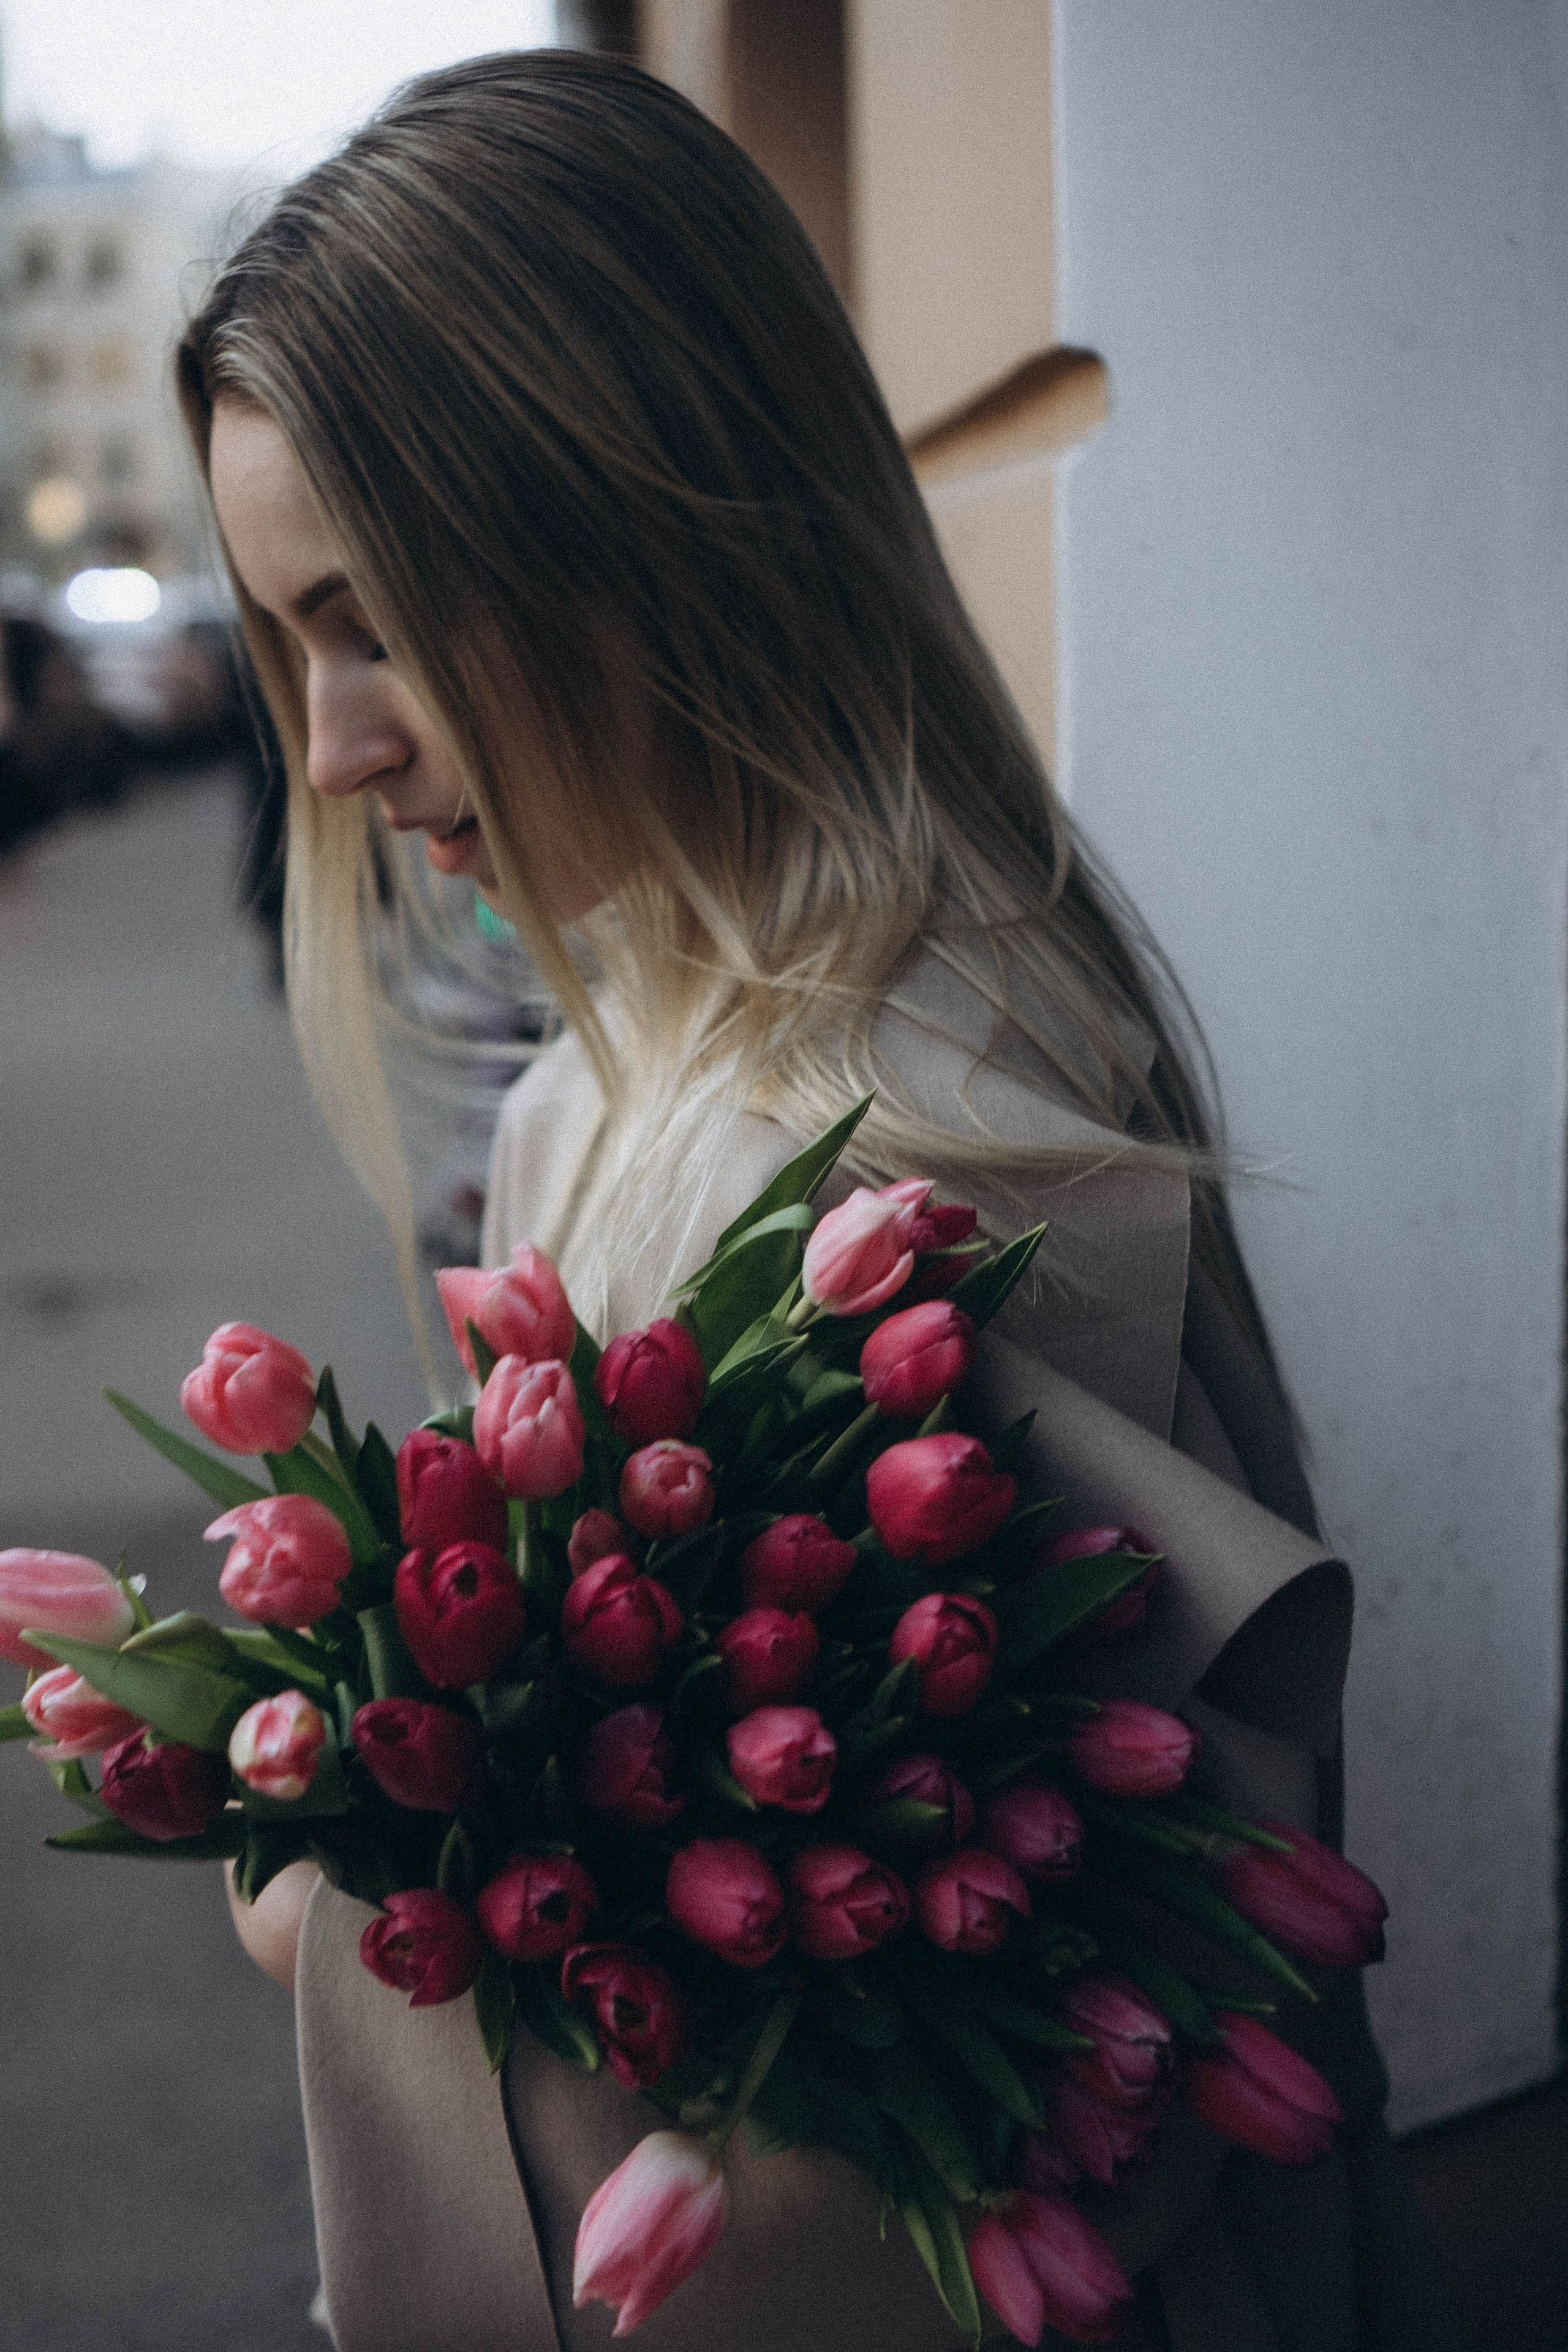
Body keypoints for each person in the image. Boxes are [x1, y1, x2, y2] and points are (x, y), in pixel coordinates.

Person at [177, 48, 1460, 2352]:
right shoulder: (625, 1078)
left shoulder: (920, 1163)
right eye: (293, 649)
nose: (336, 749)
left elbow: (936, 2115)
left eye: (377, 620)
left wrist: (321, 1896)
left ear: (628, 529)